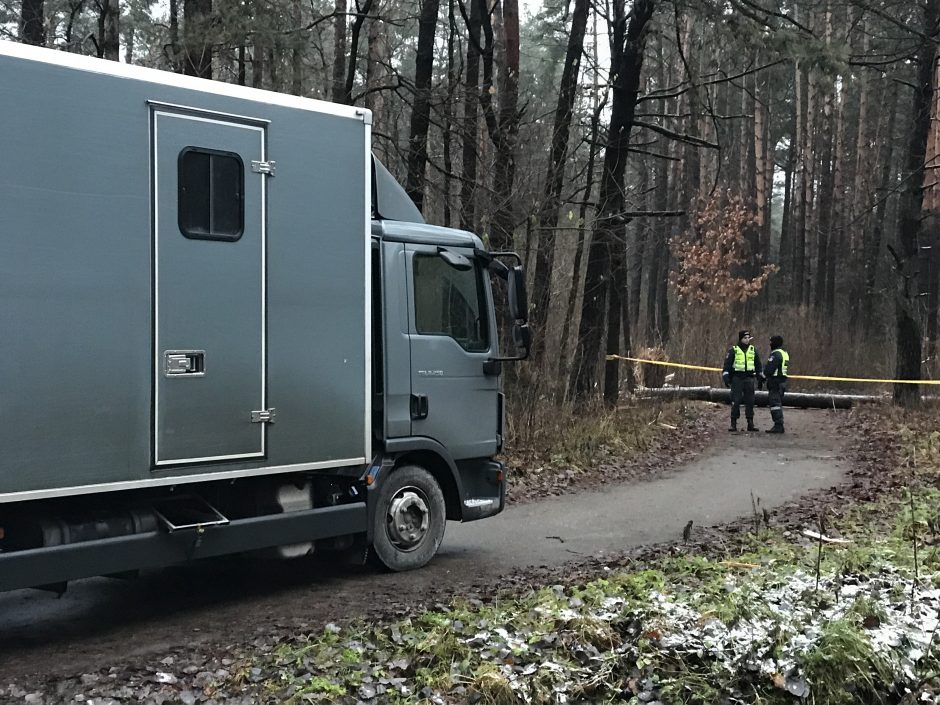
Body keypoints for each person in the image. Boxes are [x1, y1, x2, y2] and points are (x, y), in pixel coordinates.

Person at [721, 330, 763, 432]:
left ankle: (750, 423)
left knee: (750, 401)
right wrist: (726, 378)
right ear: (741, 339)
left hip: (749, 378)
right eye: (745, 338)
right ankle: (733, 423)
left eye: (748, 338)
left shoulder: (753, 350)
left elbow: (758, 366)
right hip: (737, 378)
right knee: (736, 400)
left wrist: (760, 379)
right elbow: (727, 366)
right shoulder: (733, 350)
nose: (747, 340)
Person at [763, 334, 789, 434]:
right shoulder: (784, 353)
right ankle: (778, 424)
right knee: (777, 403)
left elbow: (769, 369)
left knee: (775, 404)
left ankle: (778, 425)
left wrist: (763, 377)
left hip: (775, 382)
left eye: (771, 342)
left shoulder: (776, 354)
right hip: (782, 382)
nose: (769, 344)